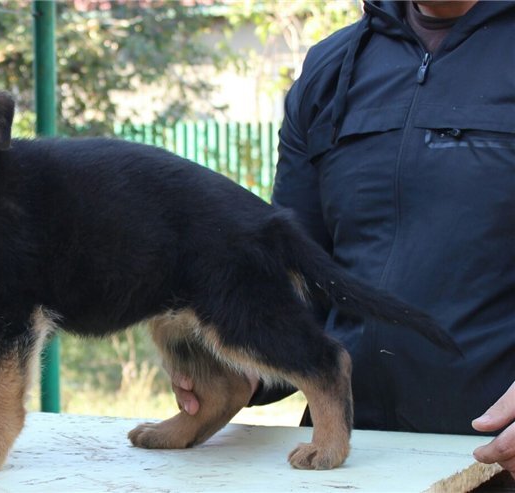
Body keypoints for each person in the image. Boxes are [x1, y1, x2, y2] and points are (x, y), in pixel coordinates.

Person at [171, 0, 515, 478]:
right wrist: (244, 362)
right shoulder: (332, 68)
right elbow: (296, 271)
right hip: (348, 459)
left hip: (494, 458)